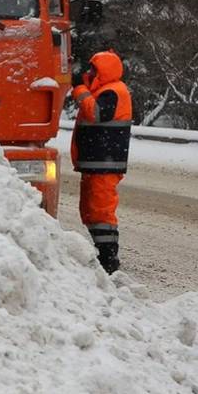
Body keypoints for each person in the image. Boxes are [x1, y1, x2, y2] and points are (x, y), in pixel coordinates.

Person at [70, 50, 132, 274]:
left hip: (105, 165)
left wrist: (79, 88)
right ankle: (101, 254)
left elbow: (95, 113)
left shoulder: (113, 92)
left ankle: (108, 259)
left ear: (104, 71)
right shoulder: (103, 90)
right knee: (90, 212)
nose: (89, 72)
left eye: (93, 69)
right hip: (96, 164)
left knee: (101, 213)